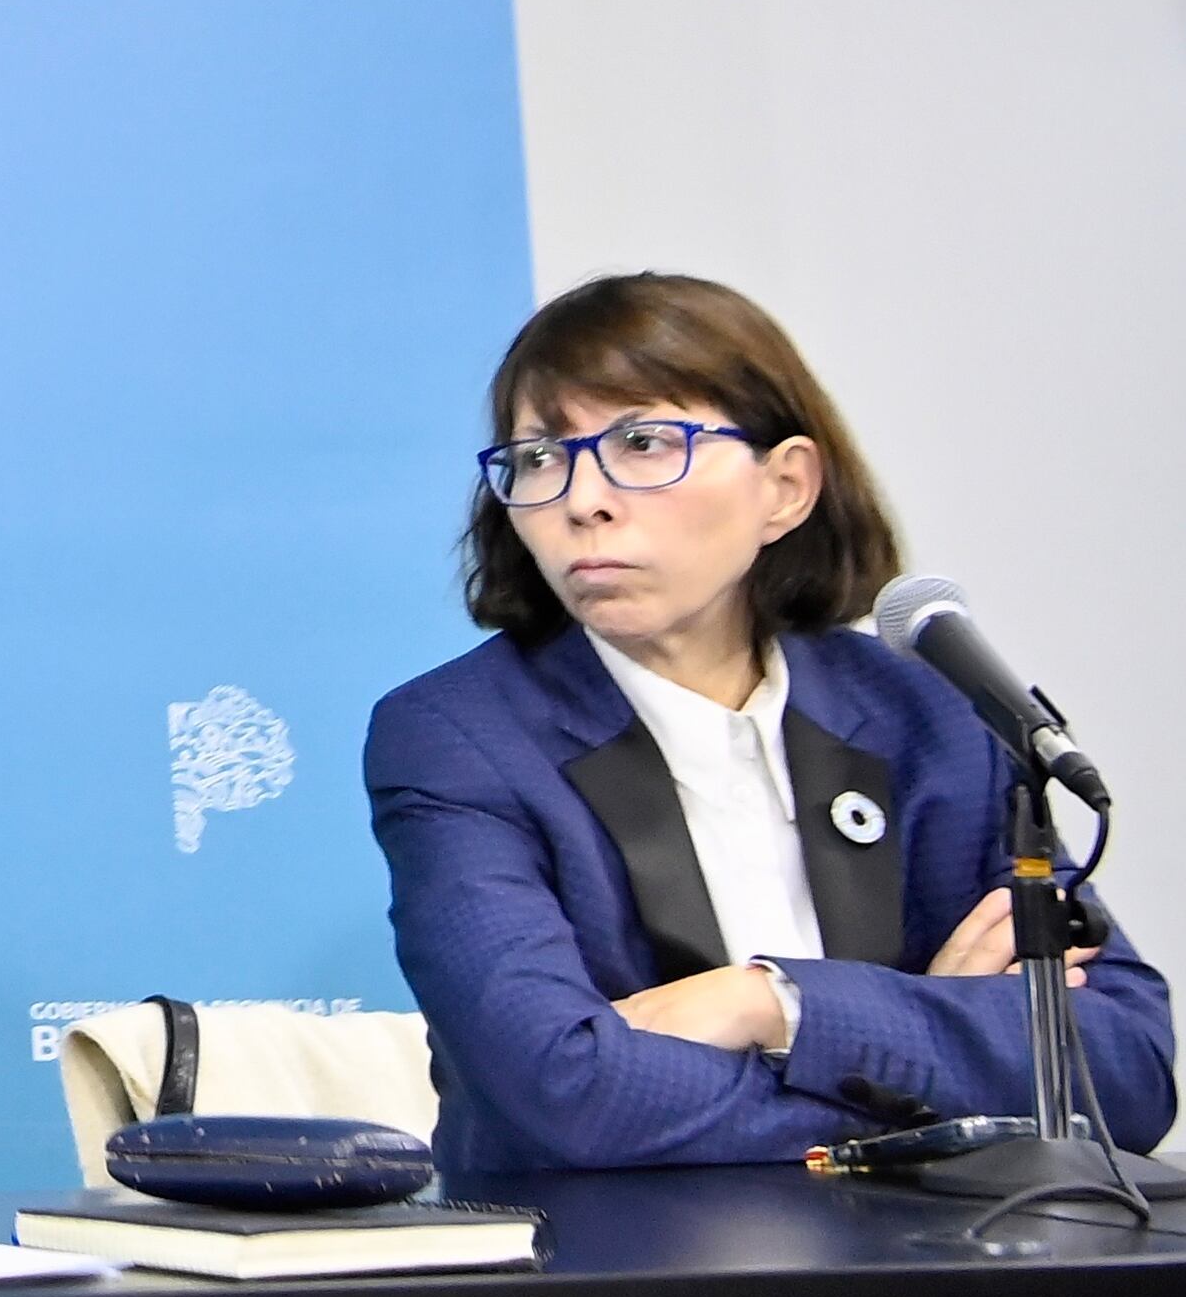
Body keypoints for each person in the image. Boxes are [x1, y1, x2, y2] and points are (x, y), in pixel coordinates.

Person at [364, 270, 1170, 1171]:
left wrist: (771, 1004)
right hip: (605, 1286)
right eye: (539, 458)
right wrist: (923, 1066)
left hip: (925, 1277)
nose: (581, 500)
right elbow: (568, 1093)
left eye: (642, 442)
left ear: (785, 486)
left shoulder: (926, 715)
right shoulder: (458, 736)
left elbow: (1126, 1071)